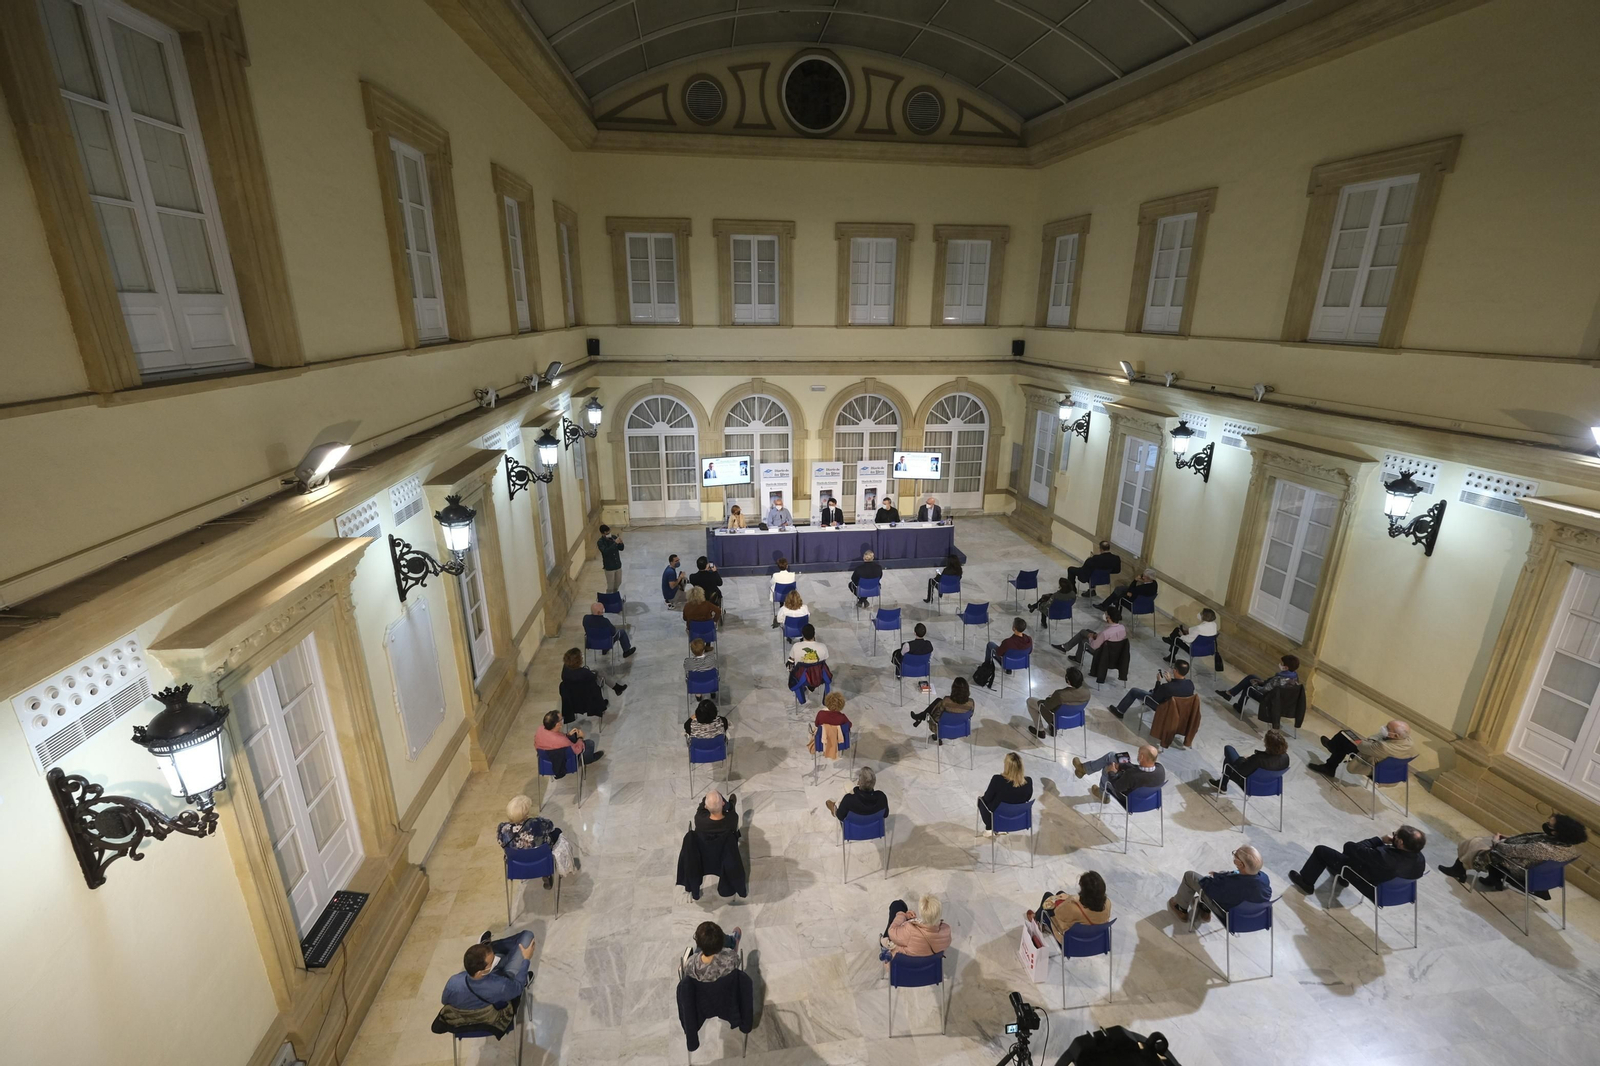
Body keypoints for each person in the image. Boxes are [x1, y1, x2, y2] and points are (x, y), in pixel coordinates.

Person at [1438, 813, 1587, 892]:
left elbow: (1507, 850)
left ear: (1556, 832)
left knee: (1475, 842)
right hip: (1537, 871)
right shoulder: (1569, 848)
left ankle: (1459, 869)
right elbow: (1529, 844)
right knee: (1487, 841)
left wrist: (1497, 841)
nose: (1546, 825)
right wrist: (1508, 839)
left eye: (1549, 825)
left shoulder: (1543, 848)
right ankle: (1494, 879)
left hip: (1519, 868)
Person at [1288, 825, 1427, 894]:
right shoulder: (1420, 860)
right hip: (1387, 891)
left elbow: (1350, 848)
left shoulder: (1384, 858)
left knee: (1321, 851)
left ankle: (1306, 882)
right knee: (1351, 858)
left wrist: (1379, 840)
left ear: (1401, 843)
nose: (1393, 836)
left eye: (1394, 835)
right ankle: (1341, 877)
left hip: (1366, 881)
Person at [1168, 845, 1270, 924]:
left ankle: (1180, 908)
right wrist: (1219, 876)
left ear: (1240, 864)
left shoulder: (1230, 884)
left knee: (1190, 876)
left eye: (1235, 854)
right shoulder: (1264, 879)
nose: (1234, 855)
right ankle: (1204, 910)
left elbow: (1209, 887)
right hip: (1245, 920)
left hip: (1227, 915)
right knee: (1223, 873)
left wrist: (1214, 879)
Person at [442, 931, 536, 1011]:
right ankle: (487, 946)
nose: (495, 959)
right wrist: (526, 959)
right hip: (503, 986)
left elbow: (445, 1001)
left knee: (501, 955)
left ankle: (485, 947)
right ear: (480, 972)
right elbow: (518, 987)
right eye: (492, 962)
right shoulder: (501, 985)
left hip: (470, 1019)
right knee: (527, 936)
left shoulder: (453, 982)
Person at [496, 794, 574, 889]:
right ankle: (546, 874)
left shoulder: (502, 829)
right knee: (557, 832)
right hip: (540, 860)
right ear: (526, 813)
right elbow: (550, 825)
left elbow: (501, 842)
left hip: (517, 864)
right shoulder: (537, 823)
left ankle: (526, 871)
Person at [1027, 871, 1111, 947]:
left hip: (1070, 942)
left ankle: (1036, 920)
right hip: (1093, 939)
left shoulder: (1073, 908)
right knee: (1060, 893)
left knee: (1047, 897)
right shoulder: (1108, 903)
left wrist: (1069, 900)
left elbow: (1057, 914)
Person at [1309, 719, 1414, 779]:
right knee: (1345, 739)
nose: (1383, 728)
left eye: (1387, 728)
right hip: (1389, 771)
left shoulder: (1384, 747)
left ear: (1395, 736)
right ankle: (1333, 749)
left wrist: (1374, 740)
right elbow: (1375, 738)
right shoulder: (1408, 742)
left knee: (1343, 737)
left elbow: (1365, 744)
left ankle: (1330, 761)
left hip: (1373, 767)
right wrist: (1377, 739)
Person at [1072, 744, 1166, 802]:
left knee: (1107, 767)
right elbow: (1139, 769)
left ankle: (1103, 795)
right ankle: (1083, 769)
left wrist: (1111, 771)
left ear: (1141, 757)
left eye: (1138, 753)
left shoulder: (1132, 775)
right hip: (1145, 799)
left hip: (1126, 796)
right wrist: (1122, 765)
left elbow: (1117, 786)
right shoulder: (1160, 769)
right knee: (1112, 756)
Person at [1210, 728, 1291, 793]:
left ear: (1268, 745)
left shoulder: (1258, 759)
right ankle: (1222, 785)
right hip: (1269, 787)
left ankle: (1223, 784)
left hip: (1250, 784)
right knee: (1229, 759)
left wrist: (1244, 758)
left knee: (1228, 750)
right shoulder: (1286, 758)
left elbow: (1241, 770)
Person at [1109, 659, 1193, 721]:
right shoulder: (1190, 684)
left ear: (1175, 670)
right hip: (1178, 710)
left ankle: (1119, 711)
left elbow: (1155, 698)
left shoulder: (1167, 687)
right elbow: (1177, 689)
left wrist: (1158, 681)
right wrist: (1170, 681)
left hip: (1162, 708)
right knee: (1152, 691)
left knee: (1134, 691)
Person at [879, 894, 952, 962]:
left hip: (902, 967)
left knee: (897, 905)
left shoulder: (910, 930)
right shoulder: (946, 931)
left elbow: (891, 931)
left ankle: (883, 946)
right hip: (927, 969)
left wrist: (903, 915)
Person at [560, 647, 625, 722]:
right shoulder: (584, 673)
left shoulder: (565, 671)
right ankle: (616, 688)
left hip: (573, 700)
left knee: (598, 672)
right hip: (588, 699)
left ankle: (617, 688)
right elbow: (592, 678)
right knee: (599, 673)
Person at [1216, 653, 1299, 712]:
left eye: (1282, 664)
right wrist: (1262, 682)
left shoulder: (1279, 679)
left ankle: (1234, 700)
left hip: (1268, 699)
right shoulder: (1294, 677)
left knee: (1248, 684)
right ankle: (1230, 694)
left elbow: (1263, 690)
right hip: (1281, 702)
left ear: (1286, 667)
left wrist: (1255, 684)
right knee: (1252, 677)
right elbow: (1270, 685)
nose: (1280, 664)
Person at [1027, 665, 1091, 739]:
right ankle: (1052, 728)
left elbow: (1047, 705)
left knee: (1030, 701)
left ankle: (1040, 730)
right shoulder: (1087, 693)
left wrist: (1049, 698)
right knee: (1060, 708)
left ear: (1068, 681)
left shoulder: (1060, 694)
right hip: (1074, 719)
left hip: (1057, 719)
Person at [977, 752, 1033, 833]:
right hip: (1017, 819)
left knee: (981, 800)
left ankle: (990, 829)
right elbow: (1028, 798)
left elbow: (987, 798)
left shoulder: (997, 780)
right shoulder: (1028, 781)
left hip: (997, 820)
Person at [911, 676, 973, 742]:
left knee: (938, 704)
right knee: (939, 702)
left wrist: (928, 715)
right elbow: (969, 716)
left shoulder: (946, 701)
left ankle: (921, 717)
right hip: (960, 729)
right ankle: (921, 717)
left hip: (941, 728)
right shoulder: (971, 703)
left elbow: (935, 716)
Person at [1054, 606, 1126, 662]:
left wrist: (1090, 637)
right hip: (1114, 651)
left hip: (1102, 651)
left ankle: (1071, 653)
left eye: (1106, 614)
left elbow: (1094, 646)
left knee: (1084, 640)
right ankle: (1067, 649)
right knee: (1085, 631)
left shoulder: (1105, 633)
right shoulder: (1122, 628)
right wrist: (1096, 636)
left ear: (1109, 617)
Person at [978, 617, 1033, 688]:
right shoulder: (1029, 640)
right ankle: (1009, 670)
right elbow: (1030, 651)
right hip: (1022, 662)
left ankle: (986, 664)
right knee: (1012, 653)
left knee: (990, 645)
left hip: (1007, 663)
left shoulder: (1007, 642)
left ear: (1014, 628)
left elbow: (999, 653)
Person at [535, 709, 603, 766]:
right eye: (561, 719)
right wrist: (580, 738)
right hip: (563, 759)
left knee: (573, 736)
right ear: (558, 724)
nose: (563, 720)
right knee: (589, 743)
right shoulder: (562, 741)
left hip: (546, 759)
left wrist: (567, 735)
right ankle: (588, 760)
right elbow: (577, 750)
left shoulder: (540, 729)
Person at [786, 623, 832, 703]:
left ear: (802, 635)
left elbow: (790, 664)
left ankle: (802, 690)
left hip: (802, 678)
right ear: (814, 634)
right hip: (819, 677)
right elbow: (824, 660)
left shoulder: (796, 646)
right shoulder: (822, 646)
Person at [769, 557, 799, 625]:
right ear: (787, 566)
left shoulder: (775, 575)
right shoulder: (792, 575)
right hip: (790, 594)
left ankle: (782, 605)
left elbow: (772, 582)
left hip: (779, 595)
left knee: (776, 588)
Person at [597, 524, 625, 594]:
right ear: (603, 533)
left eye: (609, 532)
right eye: (607, 533)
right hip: (609, 567)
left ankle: (614, 597)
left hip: (617, 565)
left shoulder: (613, 537)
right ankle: (609, 601)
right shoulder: (600, 542)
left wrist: (621, 543)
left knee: (618, 583)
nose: (609, 534)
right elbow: (606, 552)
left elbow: (621, 548)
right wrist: (615, 543)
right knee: (610, 586)